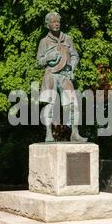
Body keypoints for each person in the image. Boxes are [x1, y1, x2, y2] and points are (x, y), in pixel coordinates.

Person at [36, 12, 87, 142]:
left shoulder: (67, 39)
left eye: (58, 21)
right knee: (50, 104)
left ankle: (75, 133)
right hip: (51, 74)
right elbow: (39, 61)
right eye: (53, 21)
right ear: (47, 25)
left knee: (73, 104)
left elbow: (75, 56)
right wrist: (48, 57)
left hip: (65, 75)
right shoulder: (44, 41)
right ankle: (48, 133)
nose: (56, 23)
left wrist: (72, 69)